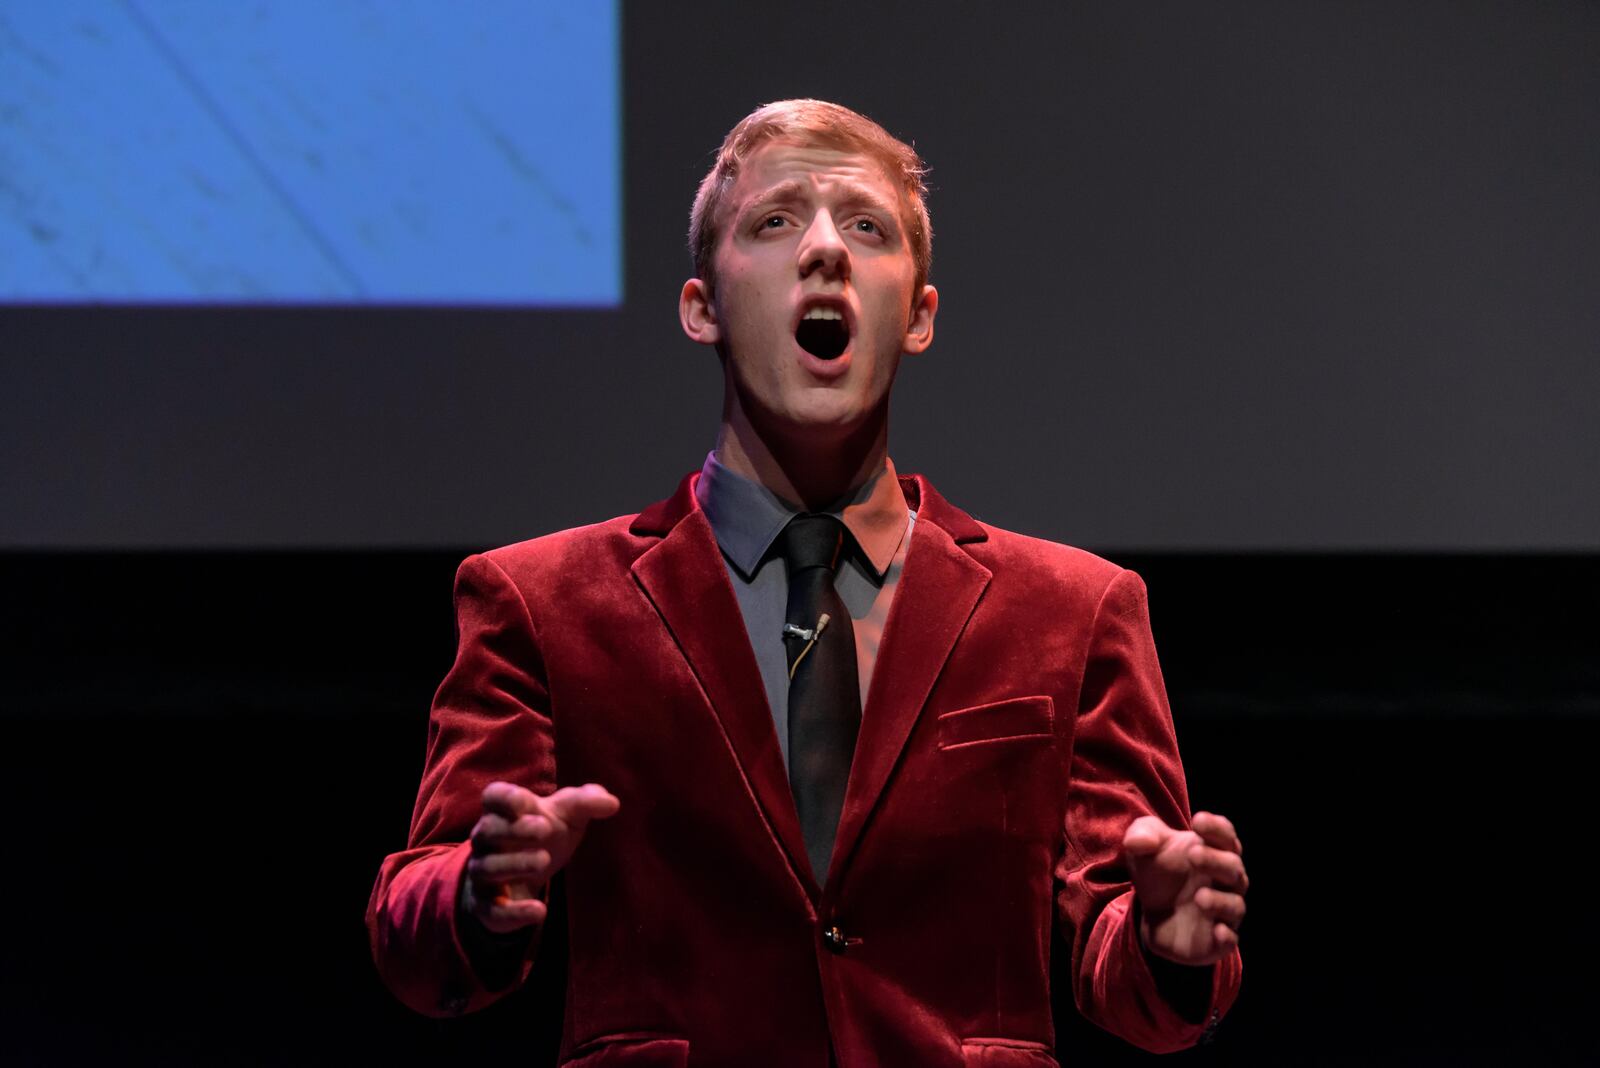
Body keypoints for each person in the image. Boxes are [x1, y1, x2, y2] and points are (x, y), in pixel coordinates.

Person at [368, 99, 1246, 1066]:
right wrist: (478, 894)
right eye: (776, 221)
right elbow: (412, 940)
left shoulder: (1072, 611)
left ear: (917, 316)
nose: (825, 249)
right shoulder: (542, 602)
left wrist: (1168, 943)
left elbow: (1130, 974)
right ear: (702, 305)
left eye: (866, 227)